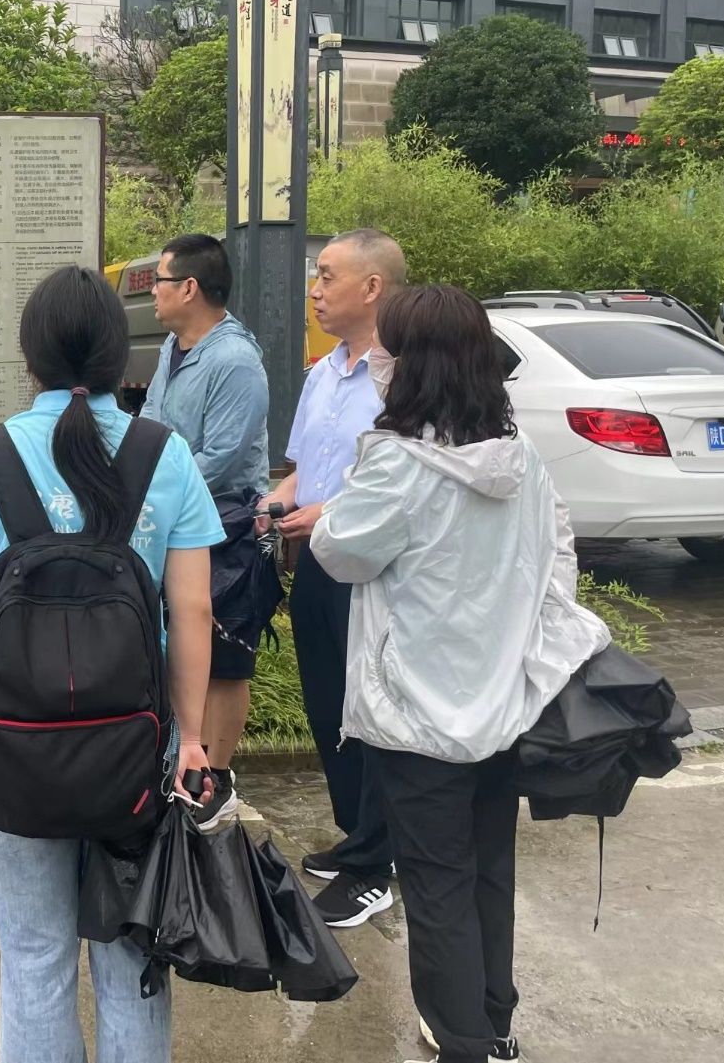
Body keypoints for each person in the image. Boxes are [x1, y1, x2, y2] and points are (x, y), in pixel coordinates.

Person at [0, 264, 223, 1063]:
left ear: (31, 356)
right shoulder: (165, 453)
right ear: (121, 357)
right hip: (137, 748)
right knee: (132, 956)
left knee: (33, 960)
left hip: (18, 744)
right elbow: (193, 610)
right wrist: (191, 739)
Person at [309, 285, 609, 1063]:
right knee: (486, 872)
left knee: (436, 882)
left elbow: (338, 550)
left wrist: (359, 467)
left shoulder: (398, 463)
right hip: (503, 705)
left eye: (388, 349)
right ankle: (494, 1024)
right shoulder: (520, 457)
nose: (378, 360)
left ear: (414, 365)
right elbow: (558, 557)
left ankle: (464, 1041)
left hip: (416, 714)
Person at [256, 227, 404, 928]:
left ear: (372, 287)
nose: (314, 291)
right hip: (317, 559)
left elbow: (405, 483)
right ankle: (357, 835)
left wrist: (328, 509)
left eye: (327, 277)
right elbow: (302, 470)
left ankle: (378, 864)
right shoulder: (323, 374)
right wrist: (278, 499)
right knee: (329, 703)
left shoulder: (402, 376)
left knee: (371, 708)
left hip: (373, 570)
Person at [139, 233, 270, 829]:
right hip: (175, 522)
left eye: (160, 282)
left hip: (226, 527)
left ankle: (214, 778)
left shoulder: (236, 360)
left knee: (223, 662)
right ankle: (182, 766)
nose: (153, 293)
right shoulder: (174, 347)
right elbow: (150, 422)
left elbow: (222, 455)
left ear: (189, 287)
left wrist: (155, 487)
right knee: (183, 647)